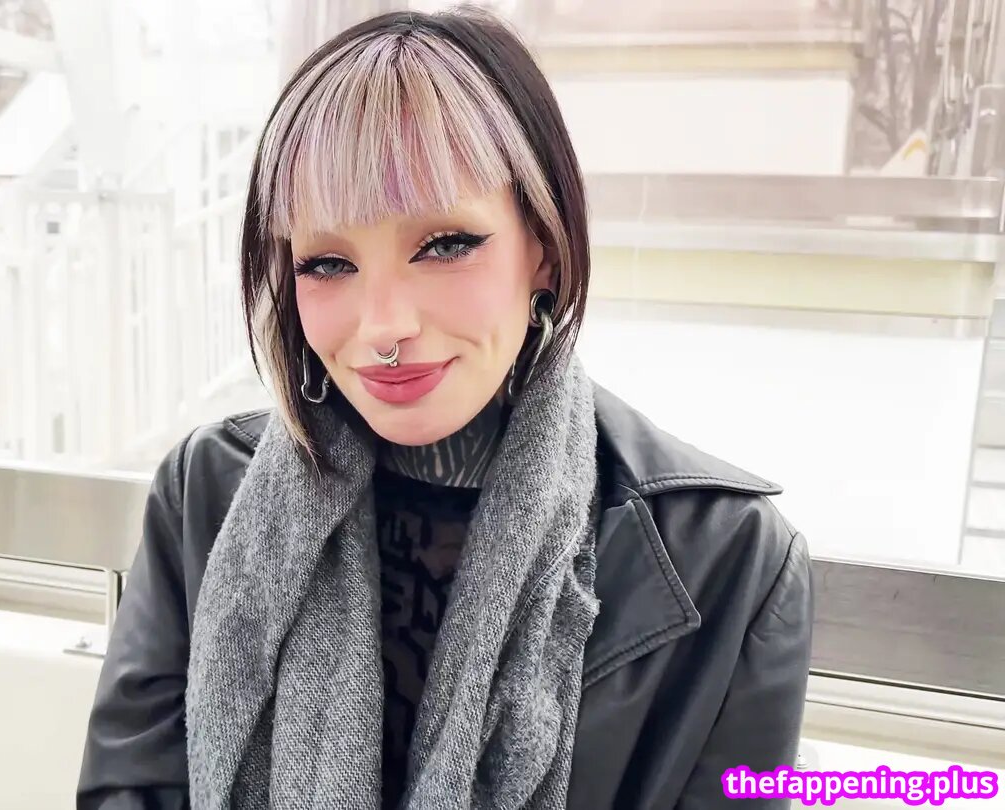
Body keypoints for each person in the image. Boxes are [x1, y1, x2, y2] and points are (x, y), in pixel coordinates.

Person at [79, 9, 812, 810]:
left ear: (545, 246)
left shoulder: (728, 555)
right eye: (327, 262)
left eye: (445, 245)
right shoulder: (206, 493)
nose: (384, 326)